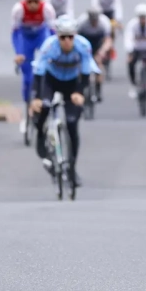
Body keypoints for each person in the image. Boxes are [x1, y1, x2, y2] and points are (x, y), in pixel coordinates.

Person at [30, 16, 97, 187]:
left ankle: (72, 169)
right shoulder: (49, 46)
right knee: (43, 106)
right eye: (63, 37)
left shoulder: (83, 46)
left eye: (70, 37)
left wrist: (80, 93)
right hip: (51, 81)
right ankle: (40, 134)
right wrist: (36, 98)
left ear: (75, 36)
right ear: (57, 36)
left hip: (72, 83)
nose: (67, 41)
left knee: (72, 122)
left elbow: (86, 72)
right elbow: (38, 74)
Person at [12, 0, 56, 127]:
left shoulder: (47, 9)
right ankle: (28, 110)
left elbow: (52, 33)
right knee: (28, 77)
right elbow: (15, 33)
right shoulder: (18, 9)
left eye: (35, 1)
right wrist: (18, 53)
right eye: (29, 1)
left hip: (41, 35)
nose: (32, 5)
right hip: (25, 38)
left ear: (40, 0)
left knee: (46, 69)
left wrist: (53, 52)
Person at [76, 6, 113, 102]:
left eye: (95, 20)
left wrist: (102, 52)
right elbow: (76, 39)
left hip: (98, 42)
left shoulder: (104, 22)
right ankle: (81, 88)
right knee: (80, 65)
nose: (93, 22)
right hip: (85, 41)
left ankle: (98, 89)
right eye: (92, 20)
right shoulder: (82, 22)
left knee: (99, 64)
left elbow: (108, 40)